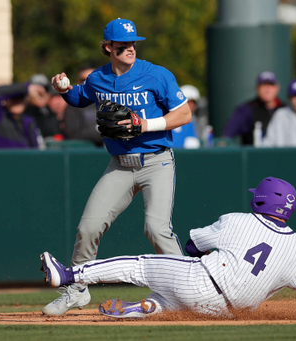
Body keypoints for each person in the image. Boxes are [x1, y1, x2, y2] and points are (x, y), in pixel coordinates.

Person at [43, 18, 192, 316]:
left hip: (156, 160)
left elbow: (184, 114)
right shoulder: (98, 78)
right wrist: (64, 88)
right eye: (123, 45)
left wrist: (145, 124)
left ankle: (187, 288)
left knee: (156, 229)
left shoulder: (157, 75)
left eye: (133, 43)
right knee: (88, 228)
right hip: (119, 165)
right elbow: (80, 97)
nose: (130, 49)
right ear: (108, 48)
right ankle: (77, 289)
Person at [40, 176, 296, 319]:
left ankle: (68, 275)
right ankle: (145, 309)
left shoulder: (239, 221)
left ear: (262, 200)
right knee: (169, 299)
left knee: (141, 265)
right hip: (227, 313)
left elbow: (191, 244)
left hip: (203, 281)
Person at [223, 71, 285, 145]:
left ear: (277, 88)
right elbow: (226, 137)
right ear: (257, 88)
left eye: (271, 85)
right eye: (264, 85)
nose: (267, 89)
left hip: (282, 154)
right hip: (255, 155)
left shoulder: (285, 109)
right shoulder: (246, 110)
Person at [0, 82, 45, 148]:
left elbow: (35, 150)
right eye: (13, 98)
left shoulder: (28, 123)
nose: (17, 101)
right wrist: (27, 88)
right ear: (6, 101)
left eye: (21, 98)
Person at [61, 66, 104, 146]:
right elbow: (73, 135)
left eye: (92, 79)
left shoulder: (109, 101)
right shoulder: (73, 105)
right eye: (83, 80)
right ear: (78, 81)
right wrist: (102, 130)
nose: (88, 83)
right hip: (87, 154)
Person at [23, 74, 63, 139]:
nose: (42, 92)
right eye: (36, 90)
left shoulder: (50, 113)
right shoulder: (22, 112)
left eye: (46, 89)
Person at [171, 85, 201, 149]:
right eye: (188, 102)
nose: (191, 106)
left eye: (193, 103)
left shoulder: (197, 123)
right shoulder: (170, 119)